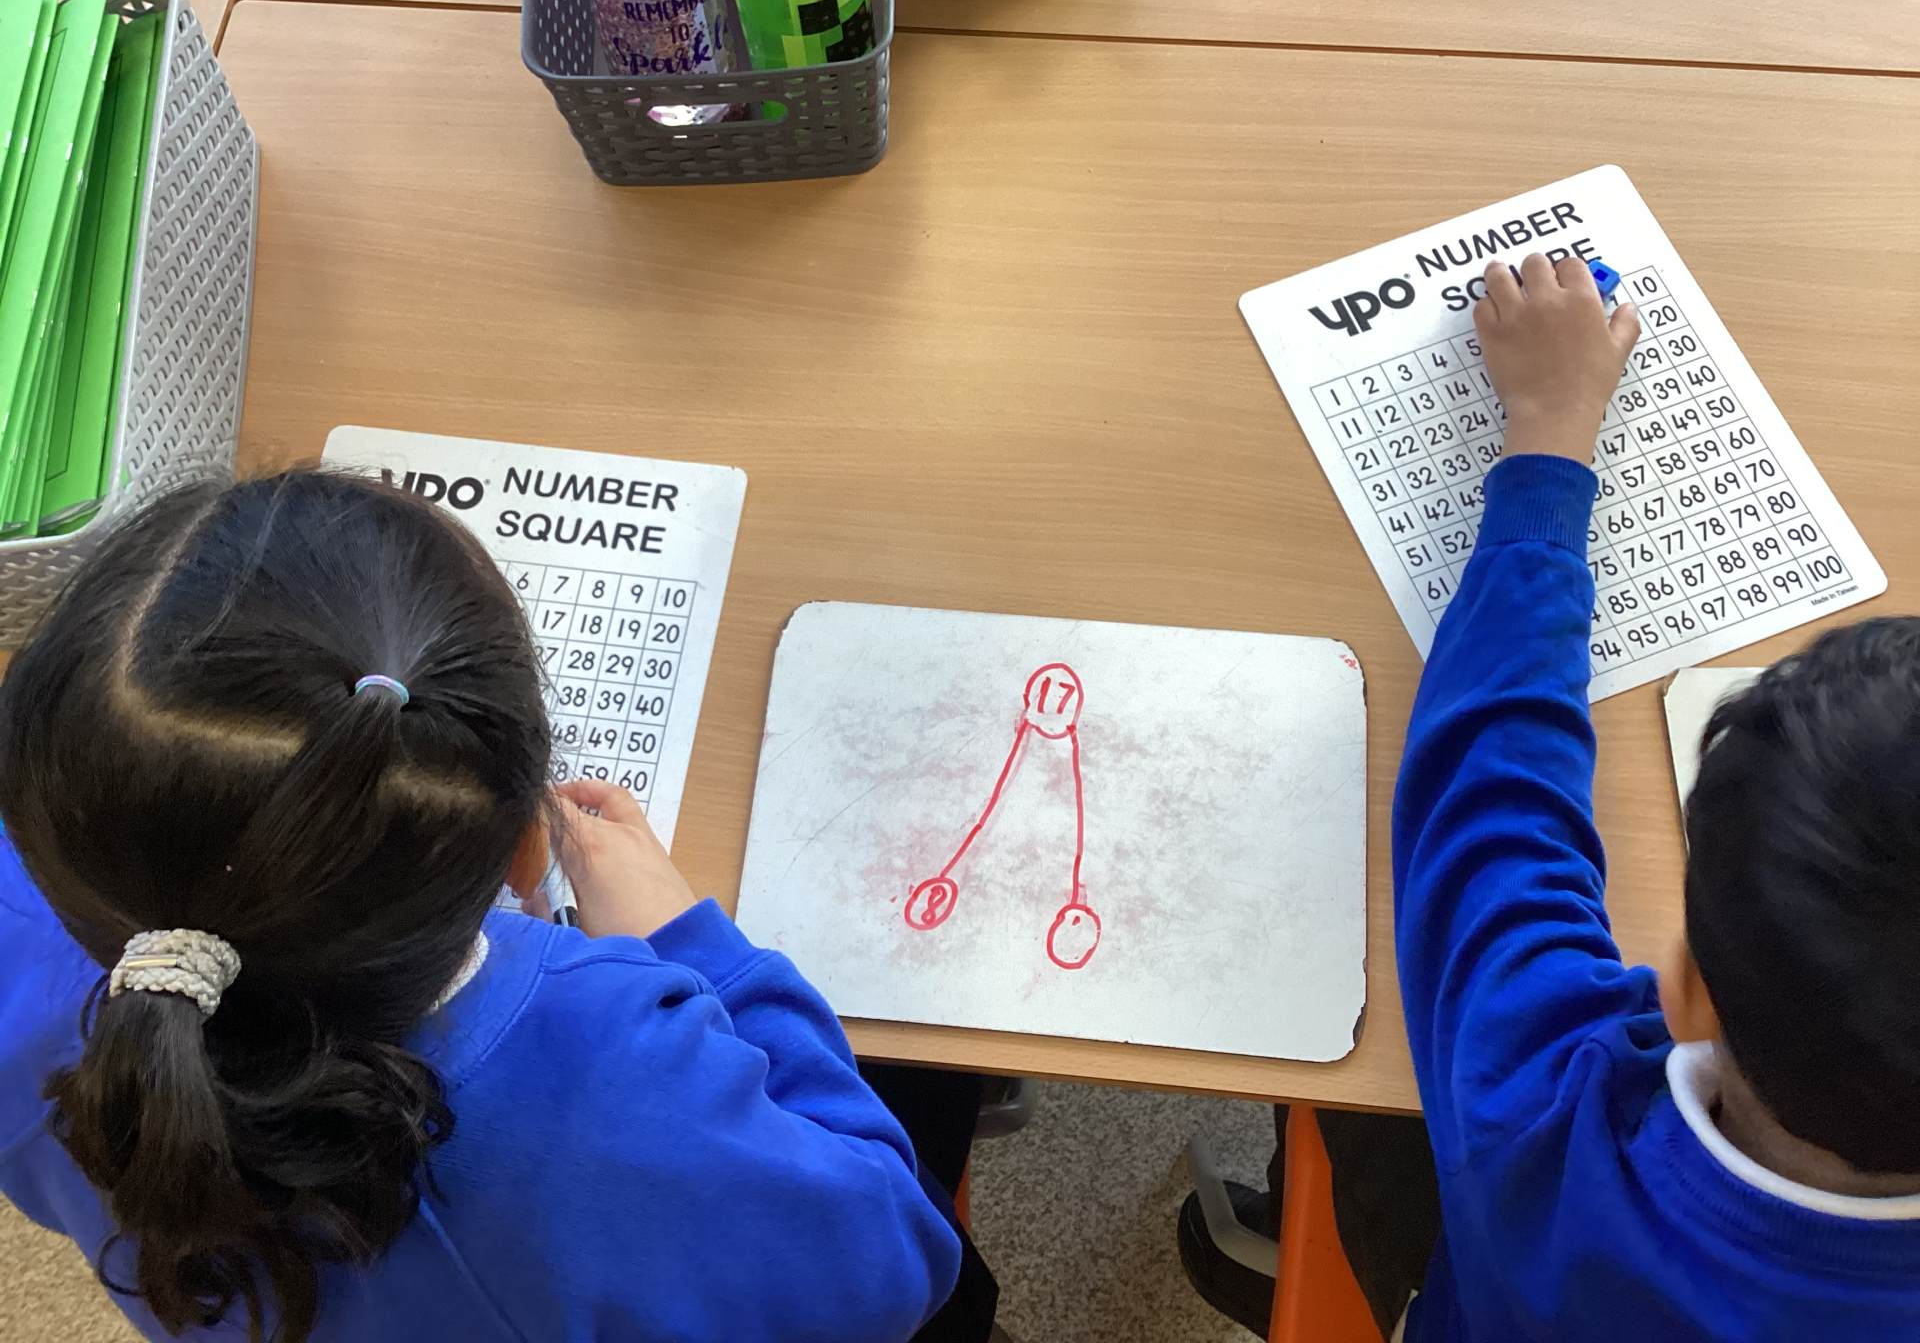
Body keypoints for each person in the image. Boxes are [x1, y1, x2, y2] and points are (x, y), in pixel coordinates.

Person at [0, 471, 996, 1343]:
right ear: (530, 848)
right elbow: (896, 1260)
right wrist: (699, 955)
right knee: (933, 1071)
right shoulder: (622, 1068)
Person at [1188, 253, 1920, 1340]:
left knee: (1366, 1085)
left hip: (1497, 1274)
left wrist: (1548, 440)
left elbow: (1491, 809)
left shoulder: (1548, 1130)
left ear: (1685, 992)